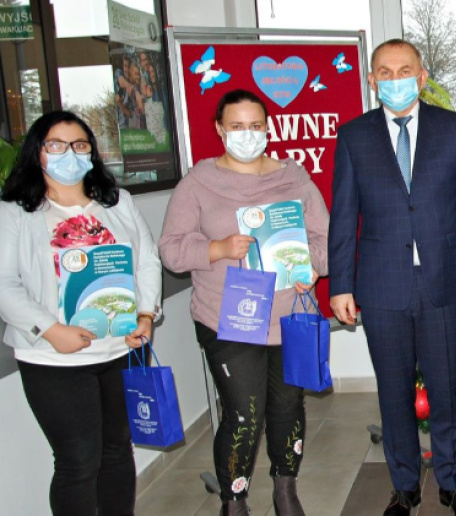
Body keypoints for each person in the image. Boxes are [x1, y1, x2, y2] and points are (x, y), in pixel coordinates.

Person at [328, 39, 456, 516]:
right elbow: (344, 216)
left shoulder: (454, 129)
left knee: (446, 391)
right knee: (393, 393)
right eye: (385, 71)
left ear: (421, 77)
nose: (395, 79)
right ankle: (404, 487)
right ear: (371, 80)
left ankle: (452, 484)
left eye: (405, 70)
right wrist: (340, 284)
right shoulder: (354, 136)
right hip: (381, 286)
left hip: (444, 282)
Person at [158, 89, 328, 516]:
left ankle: (285, 490)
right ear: (220, 129)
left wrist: (312, 267)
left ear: (268, 128)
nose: (247, 135)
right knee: (243, 413)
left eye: (255, 126)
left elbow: (326, 240)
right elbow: (171, 249)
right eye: (236, 126)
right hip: (227, 318)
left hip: (288, 316)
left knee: (288, 406)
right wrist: (216, 249)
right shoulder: (197, 184)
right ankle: (234, 500)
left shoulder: (295, 180)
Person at [0, 110, 162, 516]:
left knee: (117, 452)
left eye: (79, 145)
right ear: (37, 152)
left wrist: (145, 315)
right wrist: (50, 329)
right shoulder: (16, 211)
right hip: (54, 359)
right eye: (56, 145)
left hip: (122, 348)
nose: (69, 154)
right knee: (78, 461)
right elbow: (4, 283)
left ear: (92, 151)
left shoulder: (117, 202)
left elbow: (146, 261)